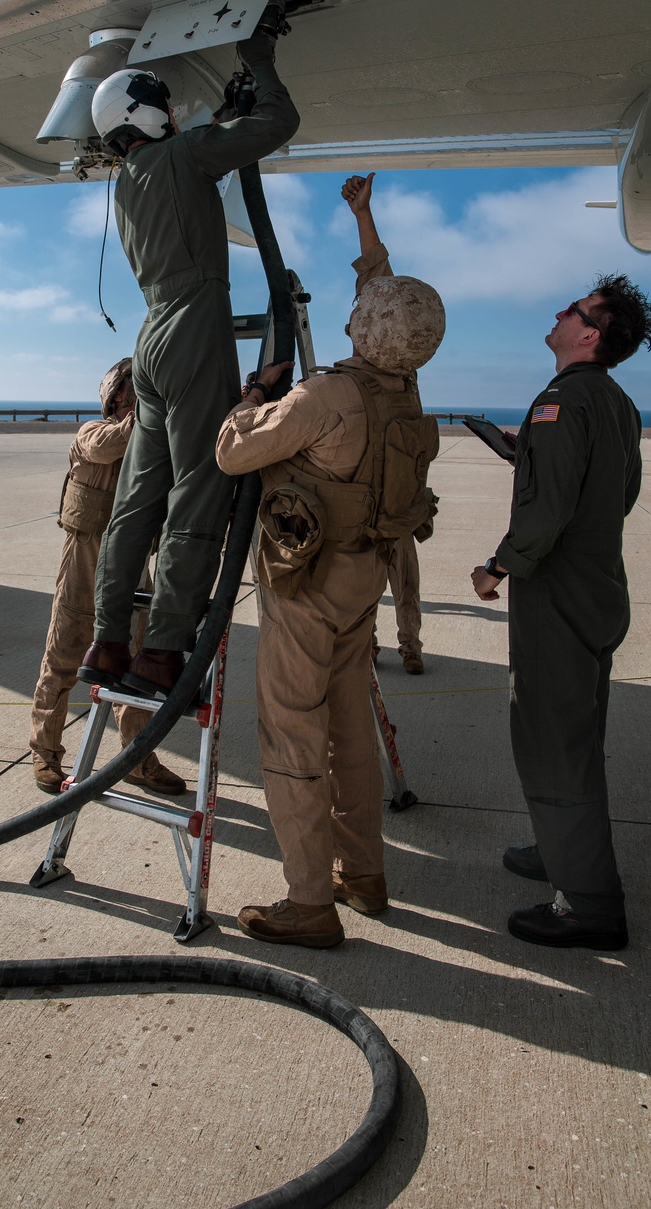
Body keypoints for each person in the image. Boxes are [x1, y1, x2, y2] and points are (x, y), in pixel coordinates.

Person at [216, 173, 445, 947]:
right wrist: (365, 219)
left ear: (363, 330)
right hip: (364, 580)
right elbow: (388, 299)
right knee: (351, 730)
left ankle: (310, 901)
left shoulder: (326, 397)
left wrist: (252, 398)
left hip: (305, 585)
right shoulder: (405, 391)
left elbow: (233, 453)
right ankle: (365, 874)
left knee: (290, 734)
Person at [79, 0, 300, 700]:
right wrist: (258, 56)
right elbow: (278, 125)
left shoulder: (131, 182)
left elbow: (197, 168)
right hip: (195, 326)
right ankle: (163, 653)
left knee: (139, 500)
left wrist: (216, 124)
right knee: (199, 493)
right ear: (148, 114)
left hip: (150, 341)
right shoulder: (181, 156)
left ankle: (110, 642)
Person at [471, 276, 651, 950]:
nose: (558, 311)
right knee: (572, 731)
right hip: (599, 589)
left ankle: (588, 904)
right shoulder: (616, 402)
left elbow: (546, 516)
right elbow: (619, 492)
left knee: (554, 742)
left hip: (558, 597)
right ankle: (559, 851)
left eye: (573, 309)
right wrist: (528, 454)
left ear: (589, 334)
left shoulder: (560, 401)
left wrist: (496, 568)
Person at [30, 358, 186, 796]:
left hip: (133, 564)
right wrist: (150, 415)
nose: (132, 399)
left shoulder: (155, 442)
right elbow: (109, 444)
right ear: (115, 397)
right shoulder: (92, 433)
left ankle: (136, 759)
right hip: (86, 556)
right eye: (130, 392)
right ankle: (45, 754)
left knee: (135, 666)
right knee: (62, 655)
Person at [372, 532, 425, 674]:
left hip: (398, 523)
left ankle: (411, 650)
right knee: (364, 592)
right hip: (366, 525)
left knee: (406, 589)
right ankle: (367, 647)